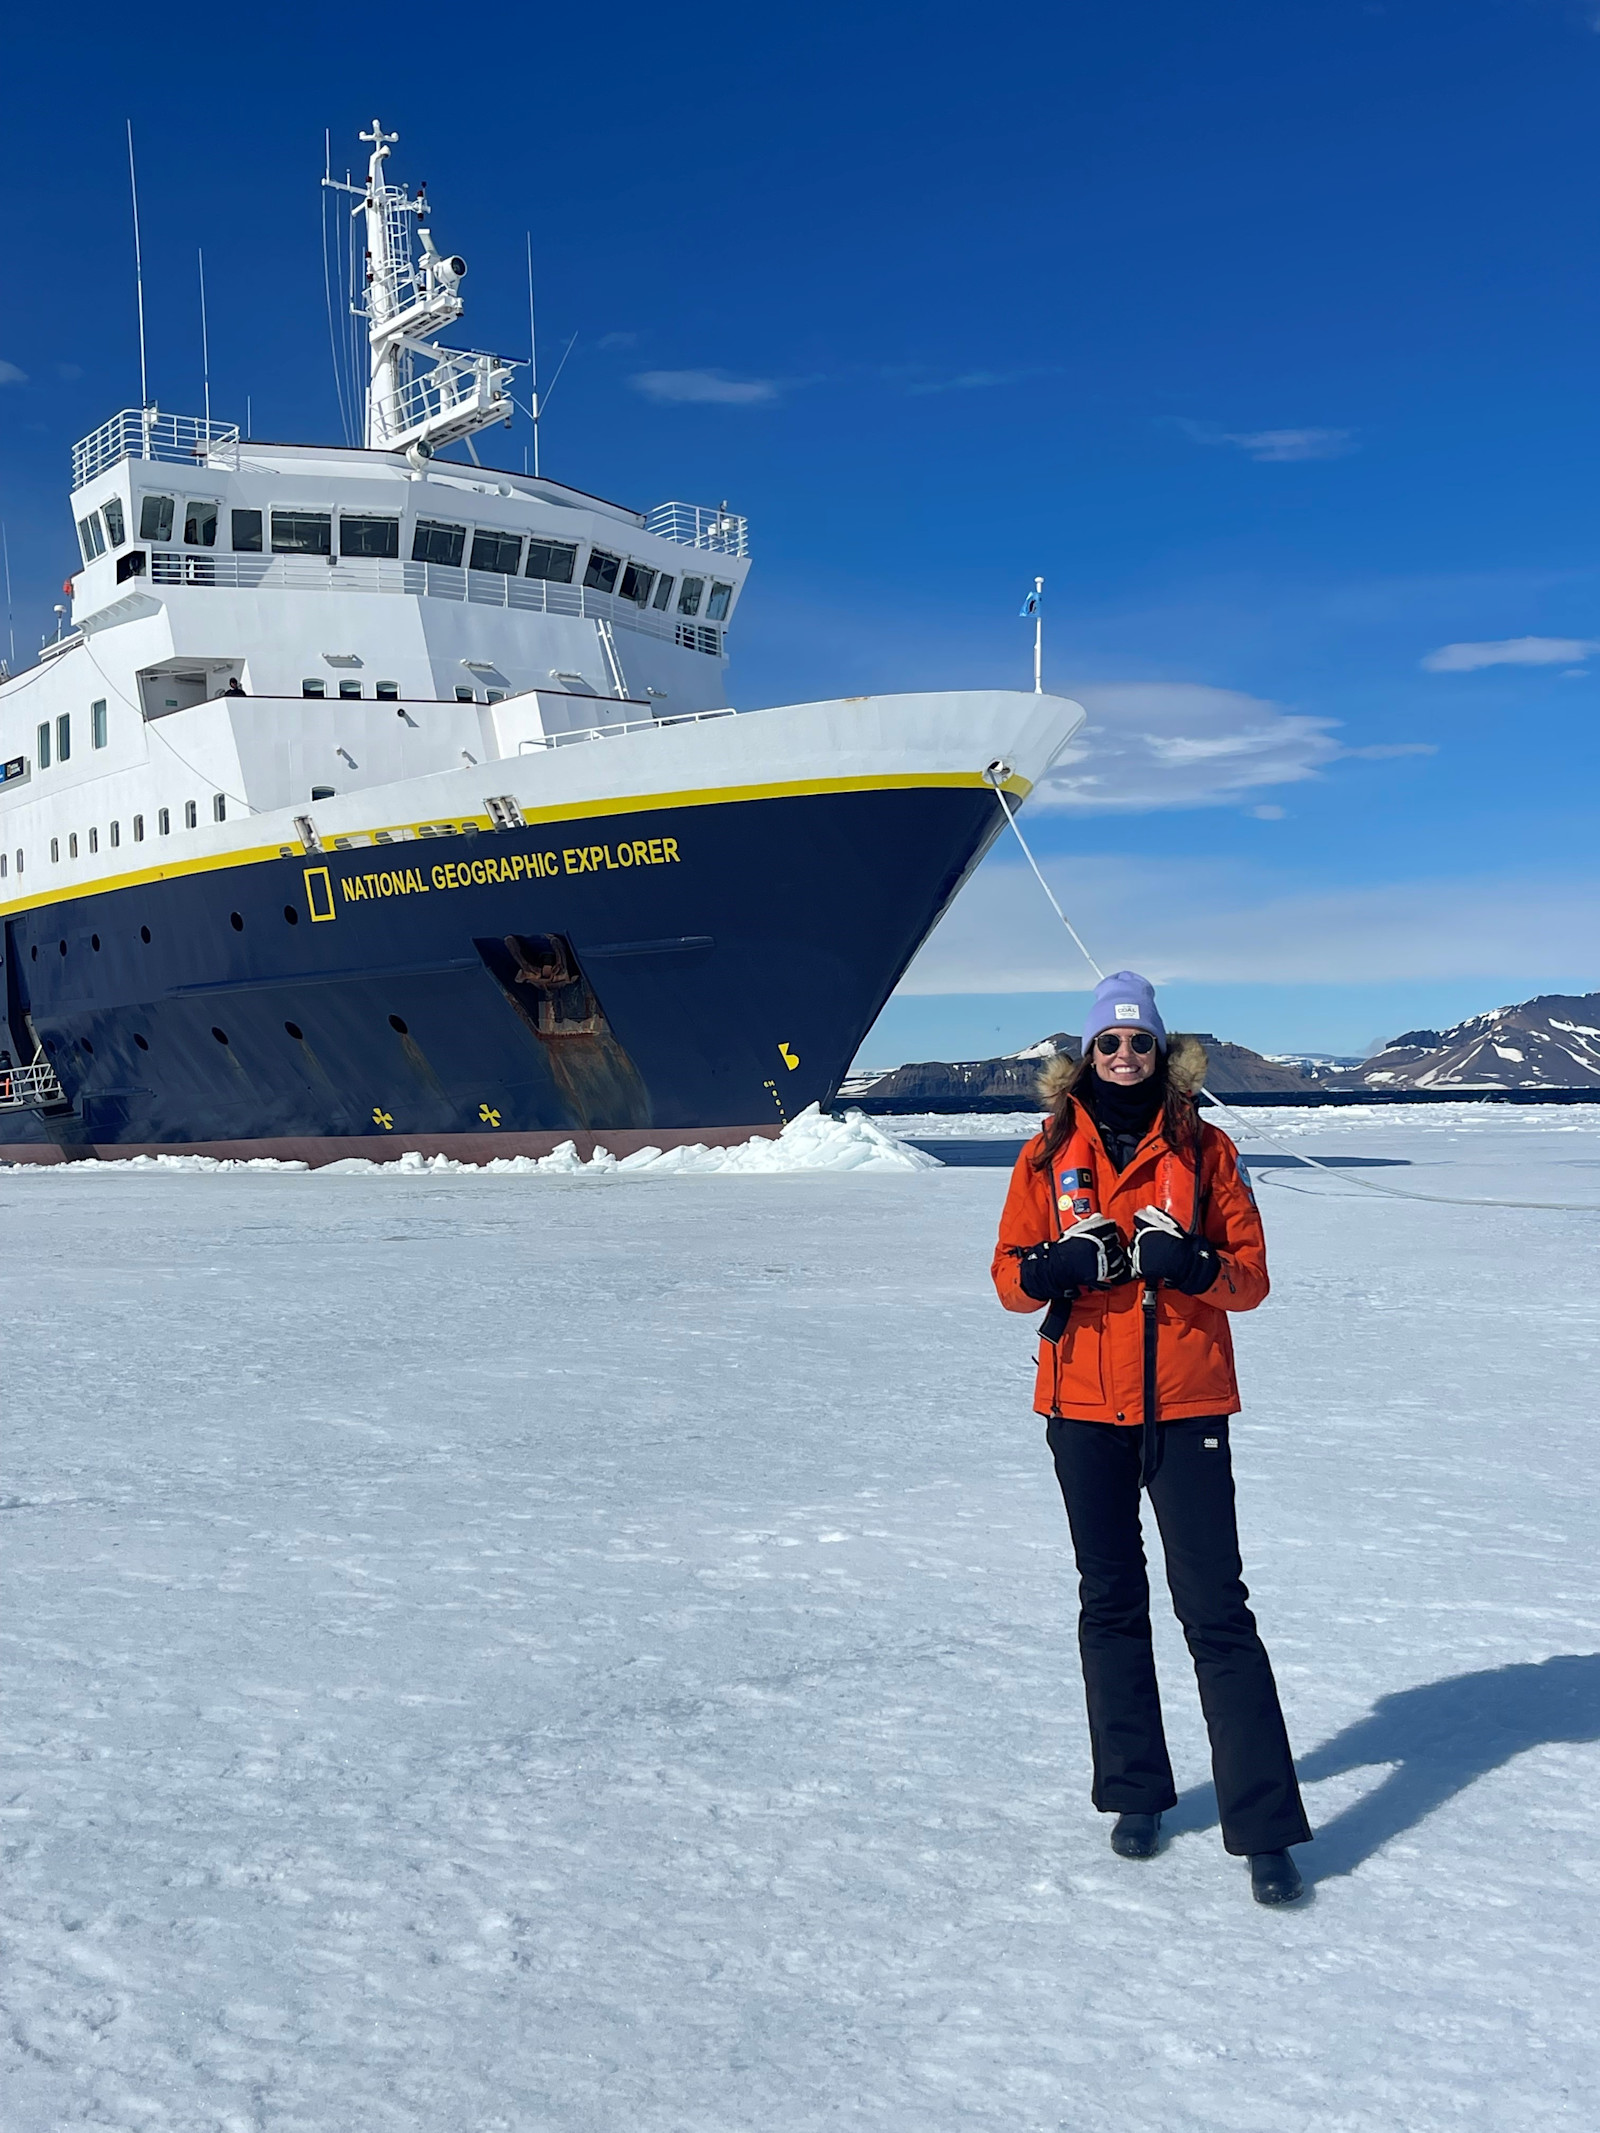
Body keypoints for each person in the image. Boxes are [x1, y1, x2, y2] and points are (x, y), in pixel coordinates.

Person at [991, 970, 1311, 1905]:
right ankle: (1135, 1792)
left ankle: (1263, 1829)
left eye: (1139, 1042)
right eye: (1107, 1043)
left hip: (1185, 1400)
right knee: (1110, 1597)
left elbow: (1248, 1278)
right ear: (1084, 1055)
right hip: (1083, 1407)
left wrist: (1194, 1261)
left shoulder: (1208, 1150)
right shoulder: (1045, 1154)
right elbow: (1010, 1277)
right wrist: (1054, 1264)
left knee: (1216, 1608)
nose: (1123, 1056)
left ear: (1164, 1052)